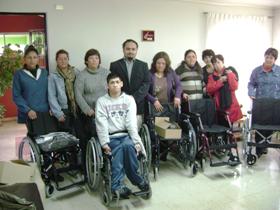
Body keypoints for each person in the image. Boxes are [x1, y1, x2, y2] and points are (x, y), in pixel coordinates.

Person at [96, 73, 150, 199]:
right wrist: (104, 143)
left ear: (121, 84)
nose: (115, 85)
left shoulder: (129, 100)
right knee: (119, 149)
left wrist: (137, 142)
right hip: (111, 137)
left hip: (126, 135)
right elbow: (101, 124)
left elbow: (131, 123)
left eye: (117, 82)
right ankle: (116, 185)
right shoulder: (102, 101)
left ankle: (135, 178)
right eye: (112, 83)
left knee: (129, 146)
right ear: (107, 86)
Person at [74, 48, 109, 173]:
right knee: (88, 140)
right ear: (86, 61)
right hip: (89, 114)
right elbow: (78, 95)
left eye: (96, 58)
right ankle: (88, 167)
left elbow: (113, 90)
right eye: (91, 58)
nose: (94, 60)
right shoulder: (81, 76)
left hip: (106, 113)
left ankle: (107, 163)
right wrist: (87, 109)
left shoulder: (106, 73)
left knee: (107, 138)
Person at [13, 45, 56, 137]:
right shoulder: (19, 74)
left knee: (49, 140)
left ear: (38, 59)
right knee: (36, 138)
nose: (32, 60)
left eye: (34, 57)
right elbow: (16, 95)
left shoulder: (44, 72)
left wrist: (52, 107)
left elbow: (50, 92)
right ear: (24, 59)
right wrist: (27, 110)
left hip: (46, 112)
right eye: (29, 57)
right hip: (30, 113)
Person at [146, 51, 182, 161]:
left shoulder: (170, 73)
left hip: (168, 107)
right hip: (154, 108)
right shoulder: (149, 74)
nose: (161, 65)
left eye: (163, 63)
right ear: (154, 63)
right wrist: (153, 100)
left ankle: (165, 152)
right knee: (156, 131)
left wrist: (177, 96)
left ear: (166, 64)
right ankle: (156, 153)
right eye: (158, 63)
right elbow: (144, 91)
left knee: (168, 128)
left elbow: (179, 85)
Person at [109, 39, 150, 128]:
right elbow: (113, 84)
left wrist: (134, 98)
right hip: (119, 104)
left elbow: (146, 83)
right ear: (123, 50)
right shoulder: (114, 65)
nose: (130, 51)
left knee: (136, 131)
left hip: (137, 105)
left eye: (133, 49)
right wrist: (123, 98)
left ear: (136, 50)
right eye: (128, 49)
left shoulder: (143, 65)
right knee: (120, 131)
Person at [248, 47, 280, 157]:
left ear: (274, 59)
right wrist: (251, 92)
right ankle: (259, 148)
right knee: (259, 126)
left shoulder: (279, 71)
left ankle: (265, 144)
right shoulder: (256, 71)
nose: (269, 59)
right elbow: (251, 84)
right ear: (264, 57)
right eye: (267, 57)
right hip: (260, 104)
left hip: (274, 104)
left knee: (271, 126)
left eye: (271, 57)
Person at [48, 49, 79, 133]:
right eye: (60, 59)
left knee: (79, 134)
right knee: (66, 136)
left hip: (76, 108)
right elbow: (52, 96)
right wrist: (58, 113)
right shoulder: (53, 76)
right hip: (63, 110)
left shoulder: (75, 72)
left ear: (68, 59)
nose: (63, 61)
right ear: (56, 60)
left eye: (65, 58)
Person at [207, 54, 242, 123]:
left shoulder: (230, 72)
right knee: (221, 128)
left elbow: (234, 87)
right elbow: (209, 90)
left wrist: (230, 75)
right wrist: (220, 81)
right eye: (214, 63)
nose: (216, 65)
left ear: (223, 62)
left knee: (230, 130)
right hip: (218, 107)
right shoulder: (211, 76)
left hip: (231, 106)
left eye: (218, 62)